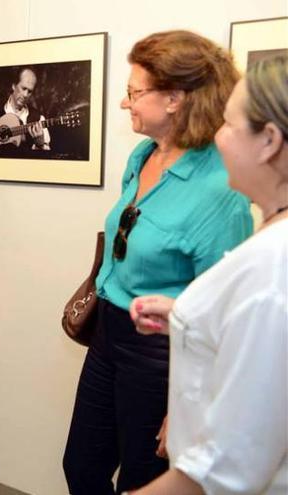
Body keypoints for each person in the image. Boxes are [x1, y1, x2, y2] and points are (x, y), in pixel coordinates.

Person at [62, 30, 253, 494]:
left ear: (174, 99)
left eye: (134, 92)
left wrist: (190, 405)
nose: (126, 103)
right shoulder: (143, 154)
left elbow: (226, 310)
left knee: (143, 482)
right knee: (81, 467)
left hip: (163, 354)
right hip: (109, 333)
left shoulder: (219, 187)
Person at [126, 54, 288, 495]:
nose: (216, 137)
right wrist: (184, 311)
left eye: (229, 124)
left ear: (269, 140)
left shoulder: (273, 269)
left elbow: (223, 472)